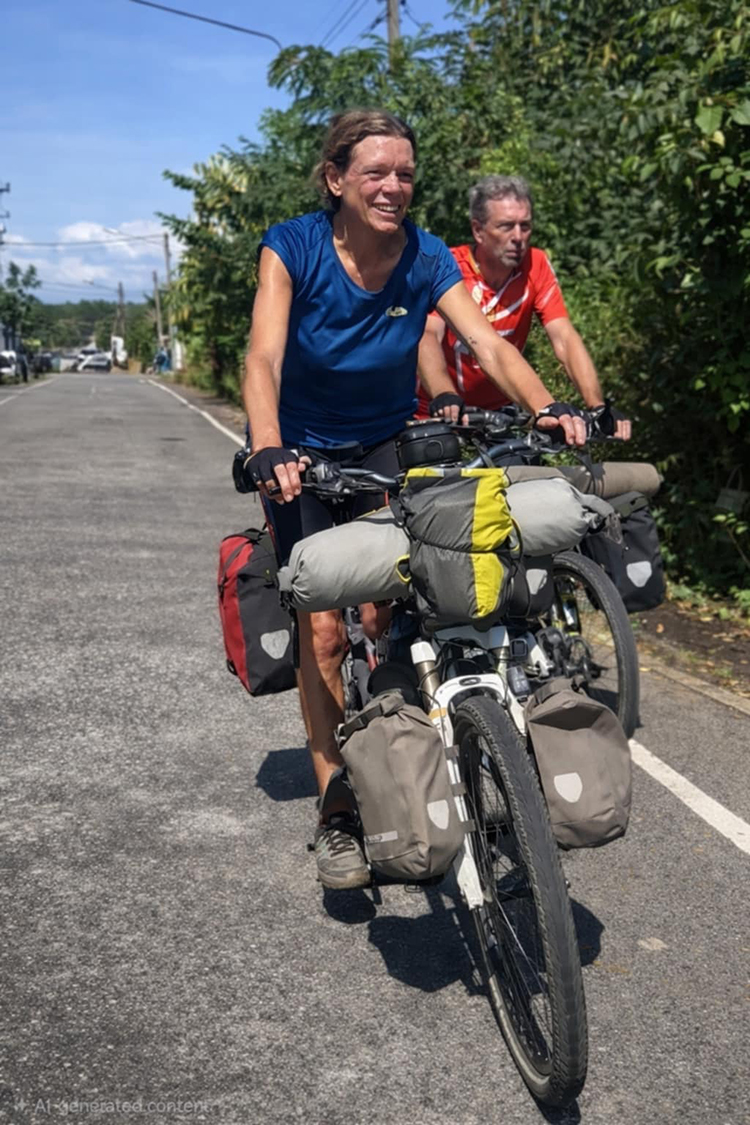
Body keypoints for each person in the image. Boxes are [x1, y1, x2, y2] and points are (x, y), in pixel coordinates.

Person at [242, 110, 588, 891]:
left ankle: (411, 754)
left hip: (385, 442)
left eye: (404, 172)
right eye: (376, 172)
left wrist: (545, 406)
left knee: (391, 611)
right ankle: (338, 806)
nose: (393, 186)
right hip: (300, 452)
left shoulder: (426, 254)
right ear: (336, 177)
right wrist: (268, 445)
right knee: (322, 630)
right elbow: (262, 355)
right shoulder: (292, 246)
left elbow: (488, 342)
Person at [416, 174, 631, 439]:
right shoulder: (450, 265)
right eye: (506, 226)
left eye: (525, 226)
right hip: (437, 409)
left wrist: (596, 407)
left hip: (500, 415)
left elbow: (564, 337)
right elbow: (428, 335)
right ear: (478, 230)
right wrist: (443, 393)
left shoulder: (535, 264)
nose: (518, 237)